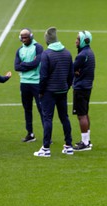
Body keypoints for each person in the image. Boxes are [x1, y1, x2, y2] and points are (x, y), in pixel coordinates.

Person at [34, 27, 74, 157]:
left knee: (47, 118)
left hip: (49, 92)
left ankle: (46, 148)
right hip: (62, 90)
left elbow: (43, 76)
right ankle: (68, 146)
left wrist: (40, 91)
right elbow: (71, 74)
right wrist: (66, 87)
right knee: (64, 117)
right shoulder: (67, 53)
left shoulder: (46, 54)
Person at [14, 28, 44, 142]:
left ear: (31, 36)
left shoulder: (38, 47)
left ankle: (47, 134)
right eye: (22, 37)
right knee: (27, 109)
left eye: (26, 37)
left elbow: (36, 63)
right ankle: (30, 134)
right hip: (24, 83)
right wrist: (28, 65)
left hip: (36, 83)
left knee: (42, 109)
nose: (24, 39)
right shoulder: (19, 50)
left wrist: (23, 64)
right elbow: (16, 67)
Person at [72, 30, 95, 151]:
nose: (75, 41)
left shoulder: (81, 55)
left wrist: (75, 72)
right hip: (87, 87)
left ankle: (85, 143)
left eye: (77, 39)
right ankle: (87, 140)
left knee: (81, 115)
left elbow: (72, 68)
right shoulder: (89, 52)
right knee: (85, 113)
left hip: (80, 88)